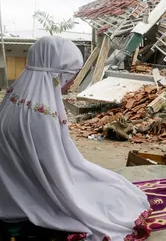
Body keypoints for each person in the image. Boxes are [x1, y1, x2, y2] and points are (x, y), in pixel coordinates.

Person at [0, 36, 151, 241]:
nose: (71, 82)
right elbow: (55, 171)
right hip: (30, 194)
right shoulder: (40, 114)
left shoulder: (16, 97)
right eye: (71, 75)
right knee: (115, 195)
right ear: (57, 73)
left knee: (109, 183)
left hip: (11, 189)